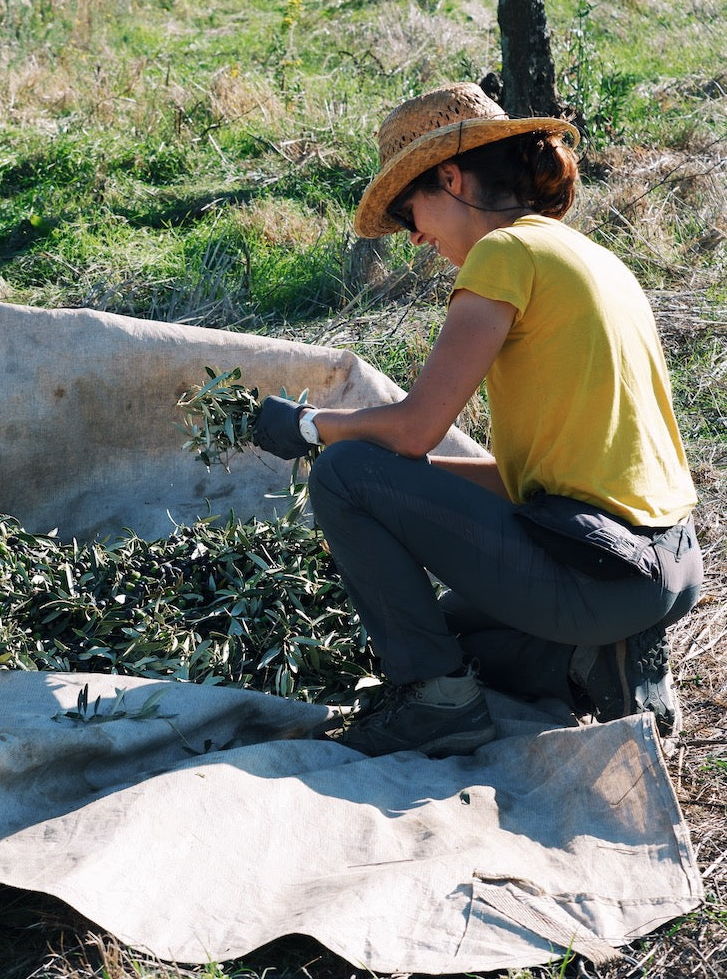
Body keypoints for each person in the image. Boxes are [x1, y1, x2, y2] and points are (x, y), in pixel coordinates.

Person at [252, 82, 704, 758]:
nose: (415, 238)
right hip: (665, 566)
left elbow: (414, 428)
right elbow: (532, 476)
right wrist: (413, 485)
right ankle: (594, 663)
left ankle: (439, 709)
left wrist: (313, 428)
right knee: (447, 637)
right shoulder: (584, 256)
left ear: (451, 177)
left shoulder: (504, 256)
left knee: (345, 475)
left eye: (411, 214)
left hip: (604, 569)